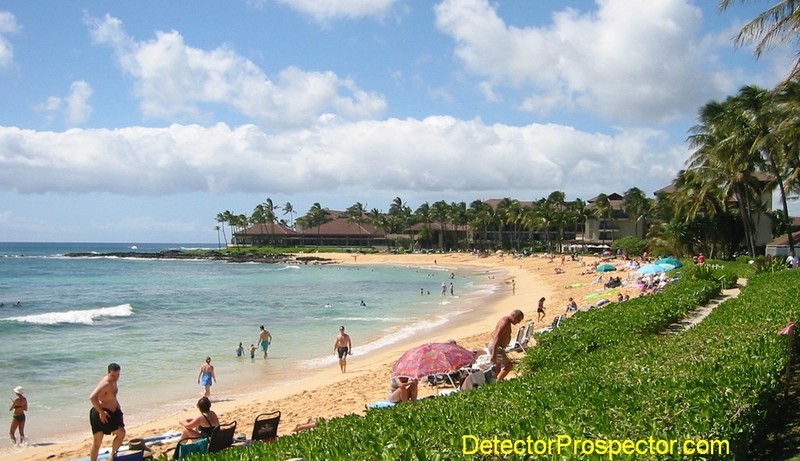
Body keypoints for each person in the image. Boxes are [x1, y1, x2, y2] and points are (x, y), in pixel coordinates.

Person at [89, 363, 125, 461]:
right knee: (121, 433)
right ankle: (112, 457)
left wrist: (117, 405)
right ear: (108, 373)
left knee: (98, 442)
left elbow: (112, 396)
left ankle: (112, 457)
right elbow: (92, 397)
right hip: (102, 414)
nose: (115, 378)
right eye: (113, 375)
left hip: (111, 412)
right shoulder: (106, 384)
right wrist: (101, 412)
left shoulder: (114, 381)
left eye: (117, 375)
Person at [487, 309, 524, 382]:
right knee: (509, 366)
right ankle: (498, 381)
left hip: (498, 347)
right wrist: (494, 355)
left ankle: (496, 381)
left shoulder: (507, 321)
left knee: (498, 367)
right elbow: (496, 339)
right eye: (518, 320)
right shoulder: (504, 323)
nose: (518, 322)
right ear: (514, 317)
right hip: (497, 347)